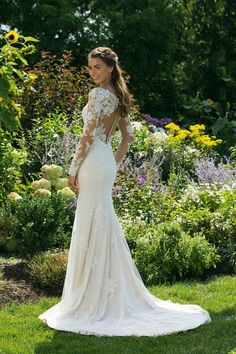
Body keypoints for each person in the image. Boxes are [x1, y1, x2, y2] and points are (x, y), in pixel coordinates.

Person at [38, 47, 211, 336]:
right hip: (103, 161)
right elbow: (127, 137)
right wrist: (112, 164)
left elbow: (86, 135)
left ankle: (90, 300)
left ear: (109, 68)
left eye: (97, 67)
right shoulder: (119, 98)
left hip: (93, 161)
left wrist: (72, 169)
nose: (92, 72)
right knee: (101, 223)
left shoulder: (97, 96)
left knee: (92, 224)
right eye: (89, 67)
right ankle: (101, 293)